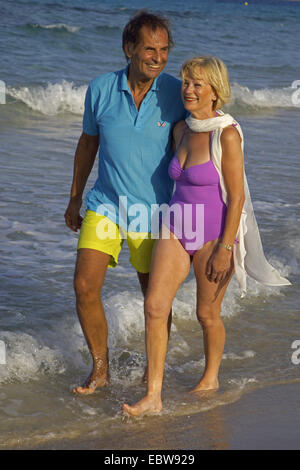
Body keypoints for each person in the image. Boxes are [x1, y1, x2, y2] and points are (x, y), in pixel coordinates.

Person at [122, 56, 291, 416]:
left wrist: (225, 249)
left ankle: (211, 376)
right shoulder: (181, 129)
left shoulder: (226, 133)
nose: (188, 89)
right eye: (185, 82)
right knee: (154, 306)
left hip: (214, 235)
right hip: (176, 225)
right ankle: (153, 396)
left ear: (215, 91)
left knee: (206, 314)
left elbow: (237, 195)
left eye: (198, 84)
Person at [64, 11, 186, 394]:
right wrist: (74, 197)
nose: (158, 57)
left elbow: (202, 140)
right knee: (84, 285)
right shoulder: (100, 88)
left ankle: (155, 374)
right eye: (150, 48)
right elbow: (88, 144)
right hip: (106, 204)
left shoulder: (176, 93)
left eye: (164, 50)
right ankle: (101, 369)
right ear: (129, 48)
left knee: (155, 298)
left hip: (155, 210)